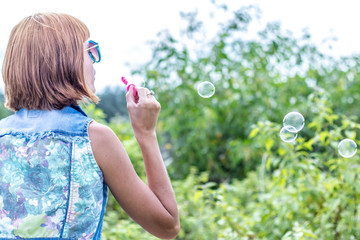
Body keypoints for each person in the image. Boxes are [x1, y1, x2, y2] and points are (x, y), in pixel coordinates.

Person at [0, 12, 180, 240]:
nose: (95, 61)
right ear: (63, 58)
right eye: (90, 51)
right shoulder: (93, 138)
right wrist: (146, 133)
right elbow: (167, 226)